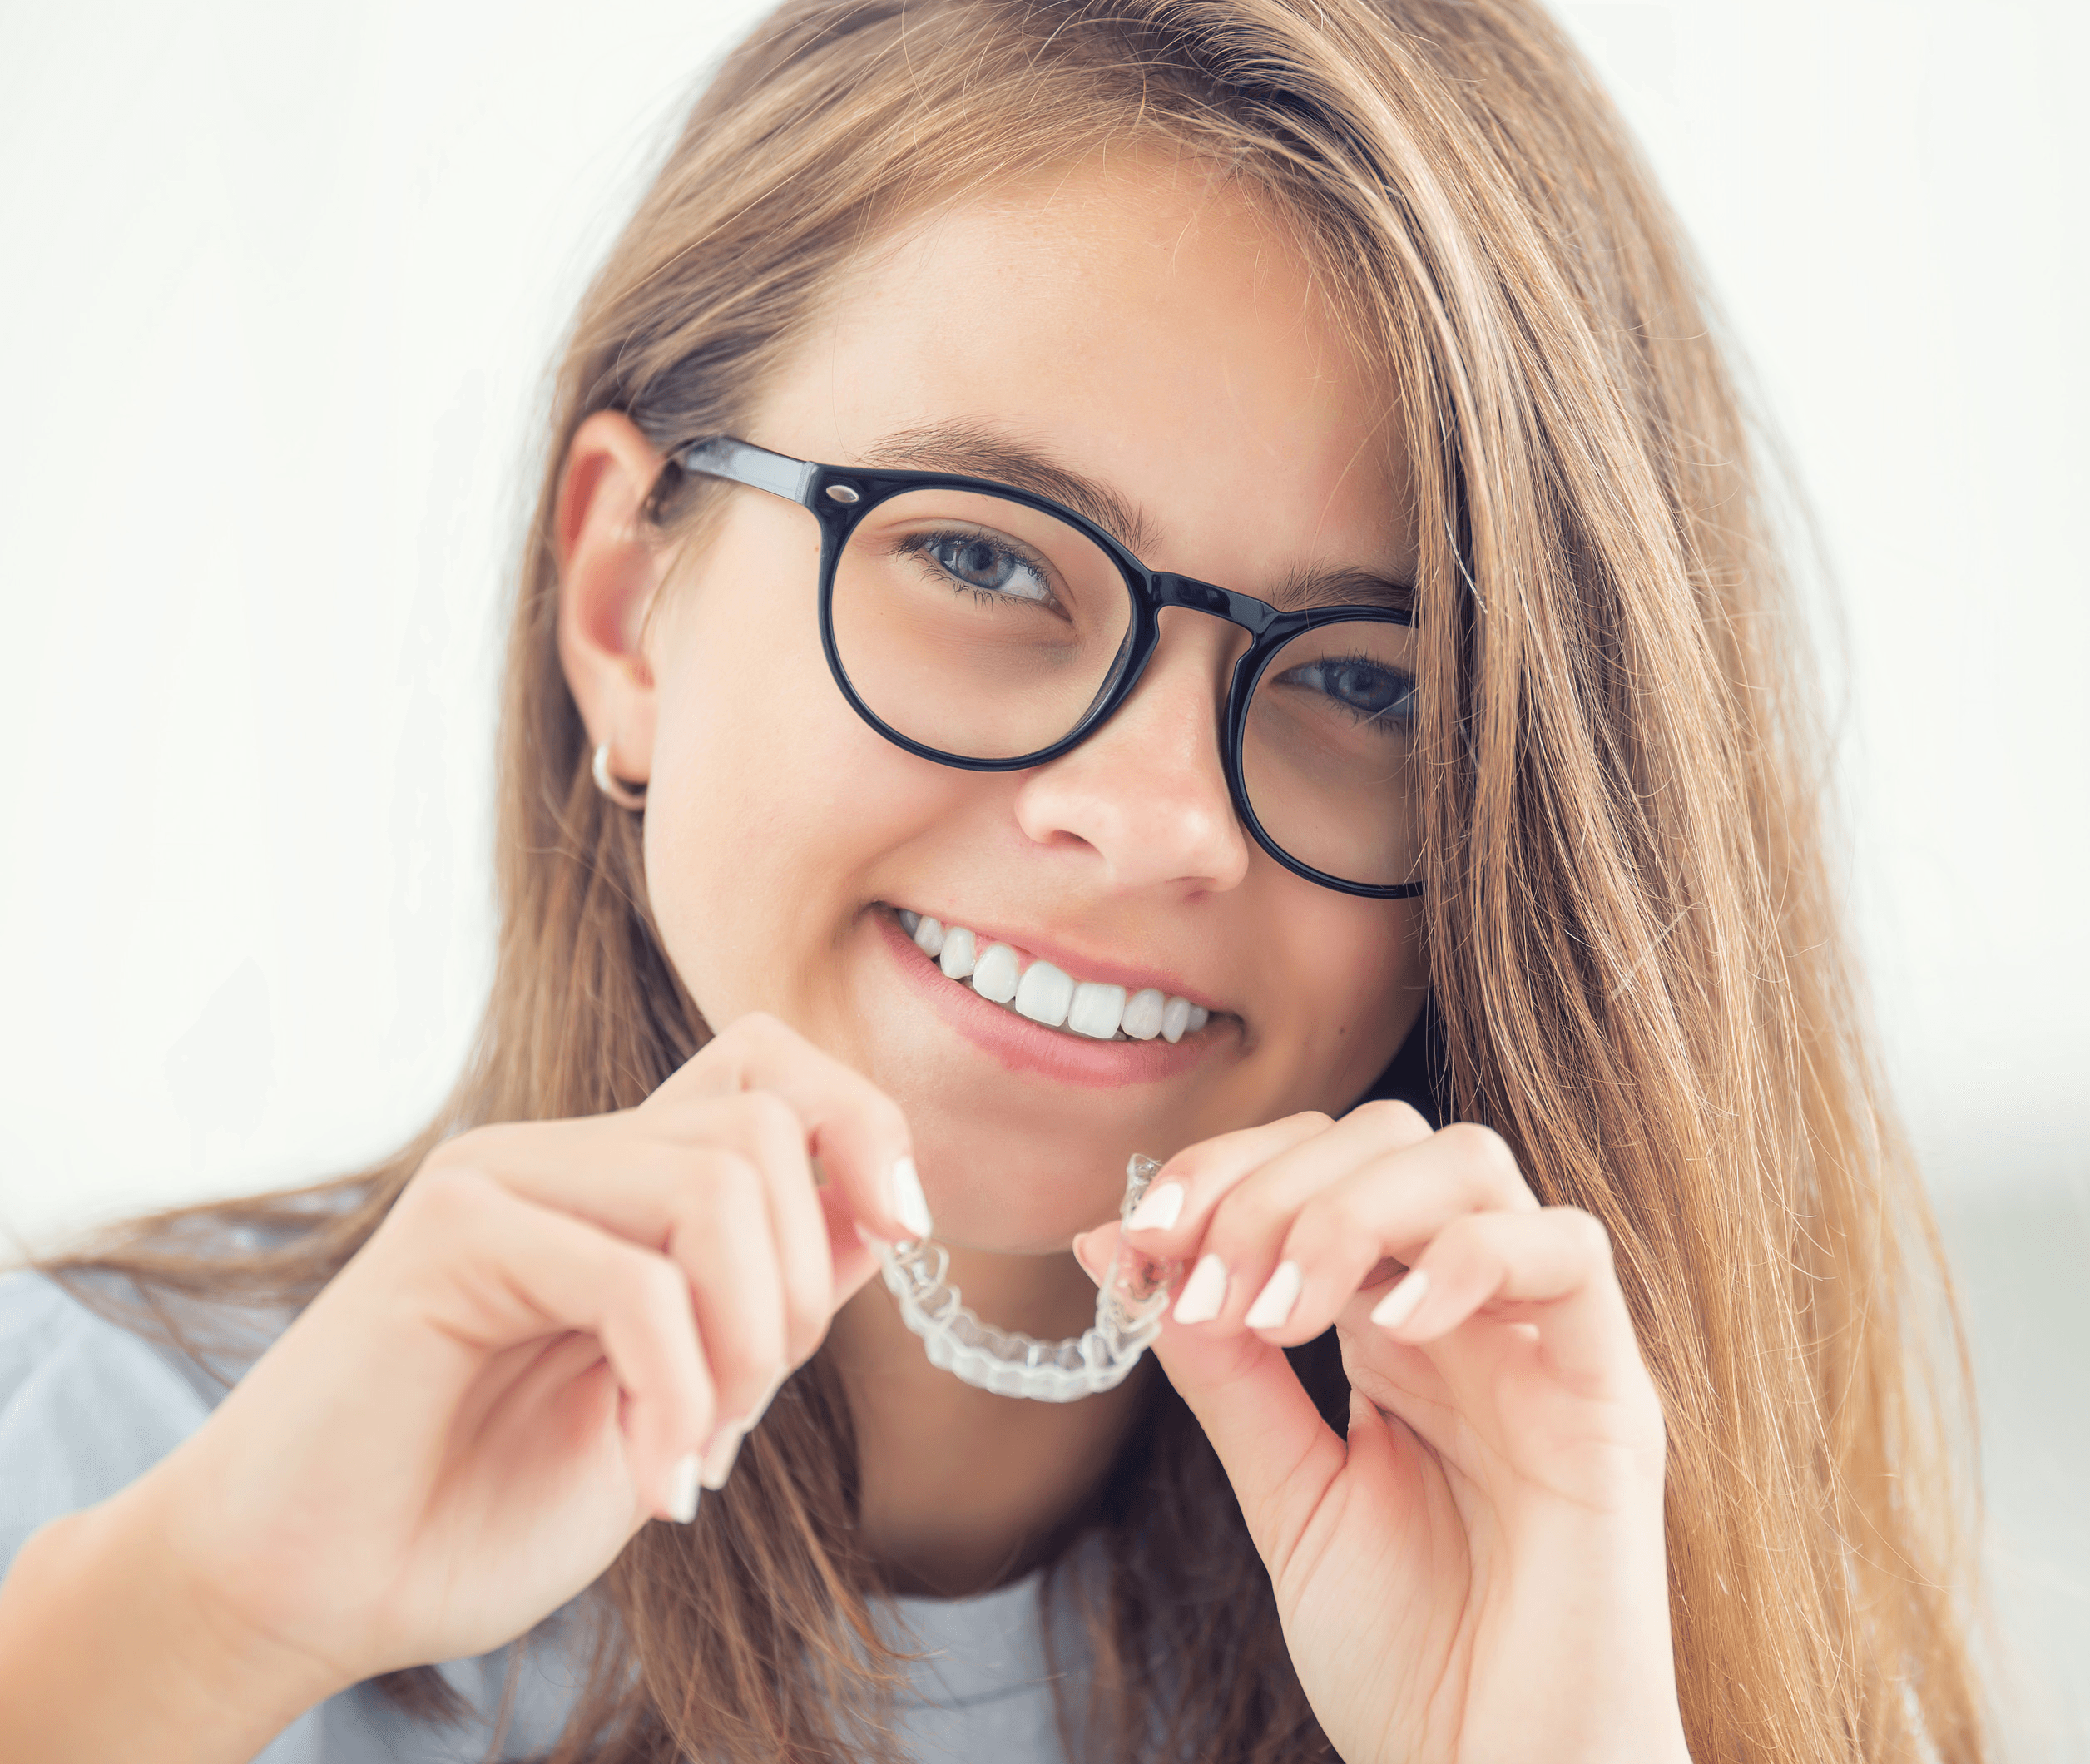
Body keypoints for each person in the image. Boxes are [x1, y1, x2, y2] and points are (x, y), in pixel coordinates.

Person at [0, 1, 1990, 1759]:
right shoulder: (88, 1465)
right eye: (980, 558)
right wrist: (182, 1638)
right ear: (624, 600)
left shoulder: (1651, 1645)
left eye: (1367, 680)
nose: (1150, 816)